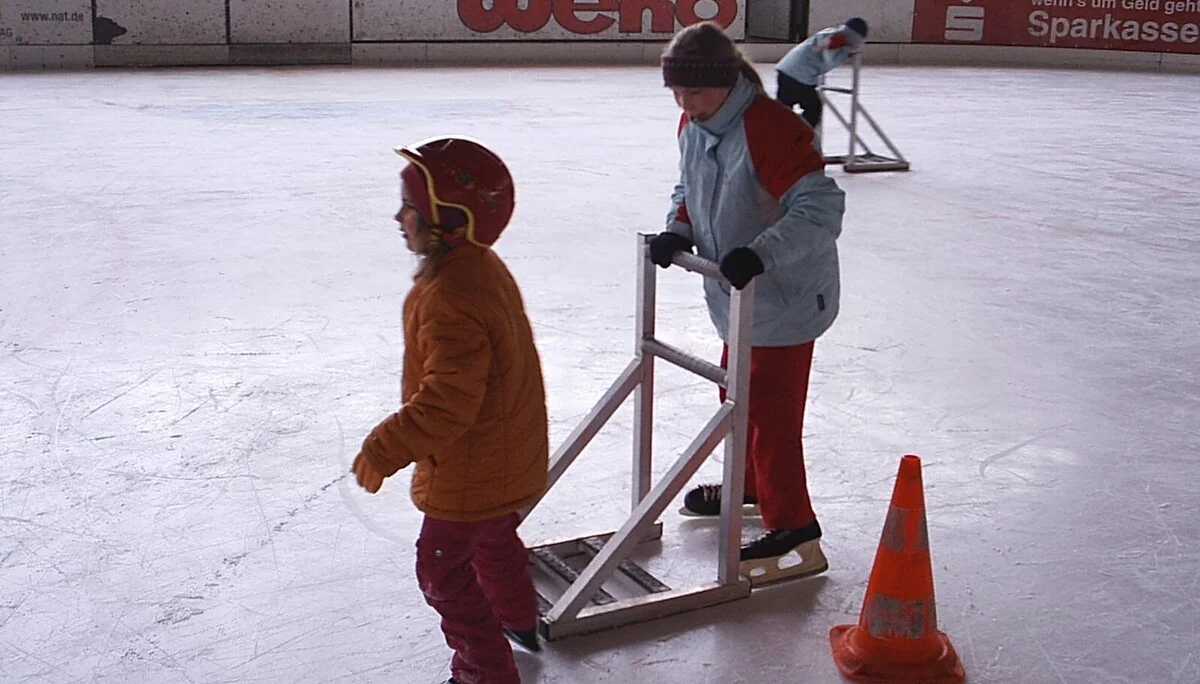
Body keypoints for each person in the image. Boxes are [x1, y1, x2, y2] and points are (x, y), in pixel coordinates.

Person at [651, 21, 846, 584]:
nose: (685, 103)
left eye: (694, 91)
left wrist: (761, 254)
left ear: (725, 80)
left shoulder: (768, 127)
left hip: (783, 295)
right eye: (677, 93)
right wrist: (678, 228)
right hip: (739, 296)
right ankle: (752, 487)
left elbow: (820, 210)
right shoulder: (694, 122)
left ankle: (796, 531)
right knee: (735, 392)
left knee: (769, 414)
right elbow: (688, 187)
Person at [351, 136, 548, 684]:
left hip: (471, 464)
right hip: (505, 451)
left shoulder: (450, 297)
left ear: (447, 220)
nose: (399, 218)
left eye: (410, 209)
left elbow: (445, 404)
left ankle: (485, 670)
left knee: (440, 569)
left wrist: (383, 447)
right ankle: (518, 619)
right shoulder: (478, 268)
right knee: (493, 539)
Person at [775, 17, 870, 129]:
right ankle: (798, 134)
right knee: (814, 109)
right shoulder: (836, 41)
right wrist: (846, 51)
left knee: (782, 109)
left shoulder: (829, 32)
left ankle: (778, 134)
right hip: (800, 76)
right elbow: (830, 59)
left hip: (785, 70)